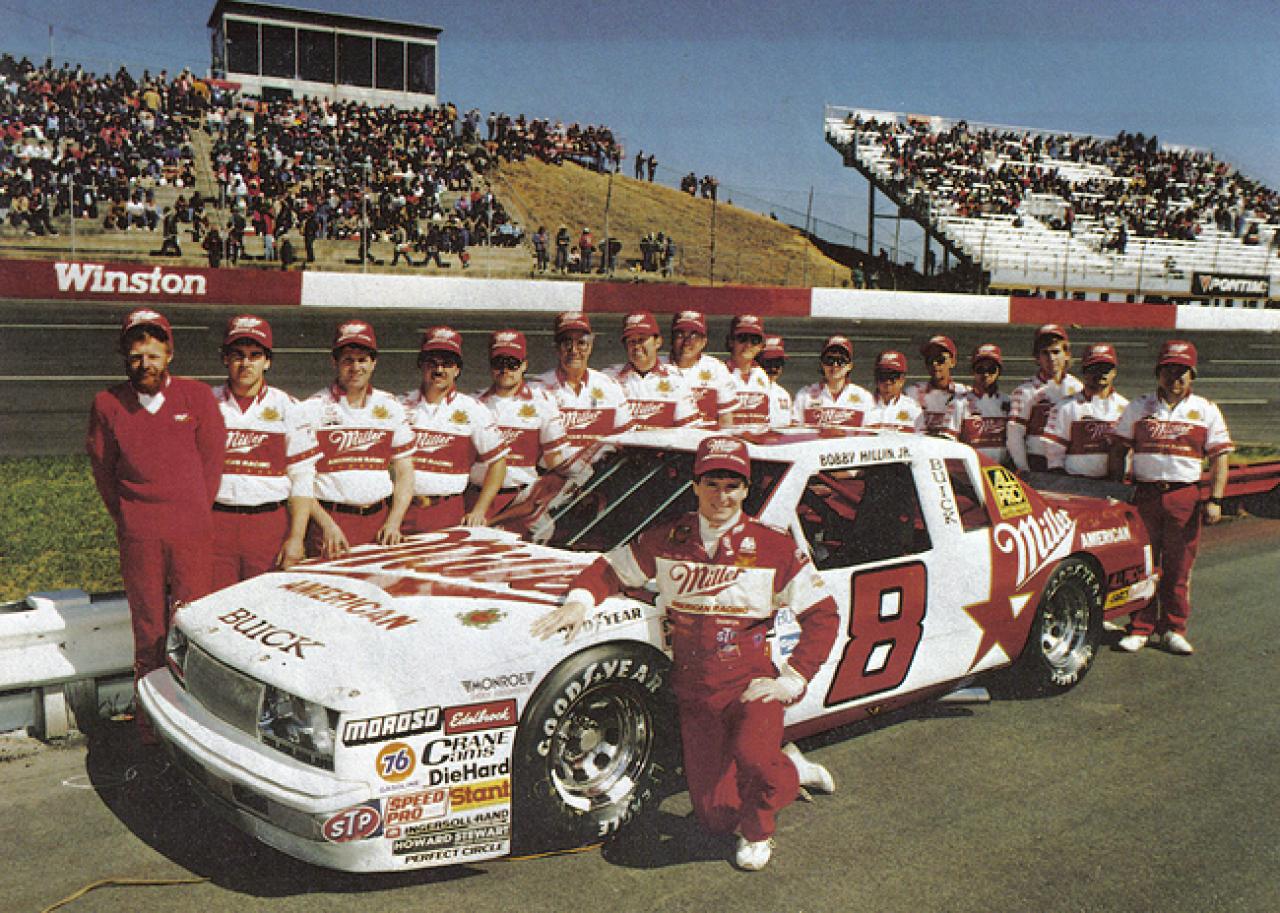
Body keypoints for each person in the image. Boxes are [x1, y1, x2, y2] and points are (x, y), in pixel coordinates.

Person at [531, 436, 839, 871]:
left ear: (745, 490)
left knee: (756, 764)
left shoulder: (774, 547)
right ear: (695, 486)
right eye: (711, 484)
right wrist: (580, 602)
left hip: (750, 685)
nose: (721, 496)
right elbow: (610, 569)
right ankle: (791, 767)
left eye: (732, 486)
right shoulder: (668, 538)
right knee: (714, 818)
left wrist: (792, 678)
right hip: (695, 692)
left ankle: (759, 830)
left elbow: (823, 614)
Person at [86, 308, 225, 743]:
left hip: (191, 531)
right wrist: (132, 517)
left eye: (152, 355)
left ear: (169, 354)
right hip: (140, 533)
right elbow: (104, 471)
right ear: (124, 359)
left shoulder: (196, 397)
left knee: (193, 625)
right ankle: (150, 727)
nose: (144, 364)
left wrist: (191, 511)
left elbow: (212, 465)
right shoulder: (107, 404)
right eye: (135, 357)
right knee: (148, 629)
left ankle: (196, 724)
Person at [1110, 341, 1232, 655]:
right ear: (1158, 373)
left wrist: (1215, 499)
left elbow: (1220, 458)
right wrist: (1116, 490)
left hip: (1184, 496)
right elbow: (1119, 448)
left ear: (1192, 375)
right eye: (1168, 370)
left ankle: (1173, 629)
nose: (1175, 377)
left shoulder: (1206, 410)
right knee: (1142, 565)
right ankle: (1140, 627)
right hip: (1144, 495)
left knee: (1178, 568)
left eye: (1182, 371)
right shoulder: (1139, 406)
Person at [210, 315, 319, 589]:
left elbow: (302, 477)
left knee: (263, 602)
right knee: (216, 603)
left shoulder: (289, 407)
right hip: (216, 522)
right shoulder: (206, 403)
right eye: (238, 355)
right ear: (225, 358)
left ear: (267, 361)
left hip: (268, 525)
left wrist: (296, 538)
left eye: (255, 355)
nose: (245, 363)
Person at [297, 320, 415, 557]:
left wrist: (394, 522)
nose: (355, 367)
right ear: (335, 362)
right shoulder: (311, 408)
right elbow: (299, 479)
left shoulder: (390, 406)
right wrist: (326, 525)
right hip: (331, 523)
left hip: (379, 522)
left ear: (373, 363)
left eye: (362, 360)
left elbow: (405, 471)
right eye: (348, 360)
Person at [400, 327, 508, 533]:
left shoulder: (473, 409)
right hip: (400, 510)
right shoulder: (398, 405)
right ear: (421, 365)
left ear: (457, 369)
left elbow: (498, 462)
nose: (439, 369)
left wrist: (480, 510)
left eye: (447, 363)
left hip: (447, 511)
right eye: (432, 362)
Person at [477, 330, 570, 514]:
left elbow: (555, 461)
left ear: (524, 365)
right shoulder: (473, 403)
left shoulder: (543, 403)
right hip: (476, 499)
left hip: (520, 501)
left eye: (512, 364)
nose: (505, 370)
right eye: (498, 363)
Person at [532, 312, 633, 457]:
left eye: (581, 343)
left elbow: (627, 441)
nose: (574, 350)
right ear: (557, 348)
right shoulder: (536, 389)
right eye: (567, 343)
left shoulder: (610, 386)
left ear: (590, 346)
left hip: (602, 470)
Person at [1042, 344, 1129, 478]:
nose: (1100, 373)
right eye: (1094, 368)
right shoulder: (1064, 407)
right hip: (1076, 482)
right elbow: (1054, 451)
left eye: (1106, 368)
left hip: (1113, 483)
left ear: (1114, 372)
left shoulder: (1126, 408)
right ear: (1084, 372)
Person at [1007, 324, 1082, 472]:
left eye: (1056, 352)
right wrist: (1024, 469)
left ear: (1067, 354)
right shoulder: (1024, 391)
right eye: (1045, 353)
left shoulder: (1078, 388)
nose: (1051, 358)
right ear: (1037, 357)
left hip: (1069, 463)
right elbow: (1015, 435)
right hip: (1037, 462)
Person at [609, 311, 701, 431]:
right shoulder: (609, 379)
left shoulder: (675, 379)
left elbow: (690, 430)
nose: (637, 346)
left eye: (642, 339)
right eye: (631, 341)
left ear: (658, 342)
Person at [943, 343, 1012, 465]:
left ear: (999, 372)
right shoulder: (959, 402)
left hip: (1002, 469)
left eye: (991, 370)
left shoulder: (1008, 402)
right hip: (972, 469)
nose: (986, 375)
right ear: (973, 371)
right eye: (980, 370)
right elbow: (949, 441)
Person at [665, 310, 736, 428]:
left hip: (707, 436)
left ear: (704, 342)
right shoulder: (658, 368)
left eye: (694, 336)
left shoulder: (716, 368)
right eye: (680, 335)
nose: (687, 342)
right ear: (671, 339)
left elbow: (726, 419)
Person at [791, 335, 873, 428]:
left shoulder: (864, 397)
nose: (835, 365)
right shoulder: (804, 395)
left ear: (849, 366)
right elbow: (794, 431)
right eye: (829, 360)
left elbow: (871, 434)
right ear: (822, 364)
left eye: (841, 361)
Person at [909, 335, 968, 435]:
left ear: (953, 362)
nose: (934, 364)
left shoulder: (964, 394)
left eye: (940, 359)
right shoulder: (912, 393)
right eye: (930, 360)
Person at [723, 314, 773, 428]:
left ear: (761, 346)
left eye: (755, 340)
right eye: (742, 338)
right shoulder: (718, 373)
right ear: (731, 341)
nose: (748, 345)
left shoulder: (762, 376)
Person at [864, 351, 925, 432]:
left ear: (902, 380)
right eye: (883, 376)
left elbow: (921, 437)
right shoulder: (863, 405)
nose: (888, 382)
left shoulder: (913, 408)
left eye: (893, 376)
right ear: (876, 378)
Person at [757, 335, 793, 429]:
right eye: (768, 363)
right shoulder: (745, 390)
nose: (773, 368)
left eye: (778, 363)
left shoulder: (784, 395)